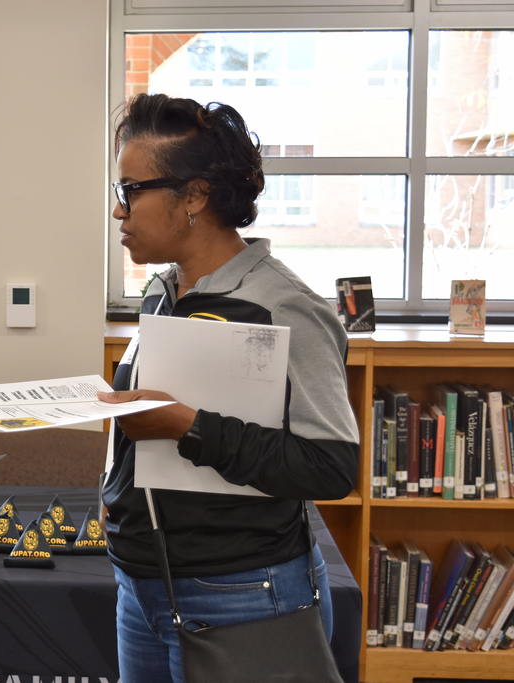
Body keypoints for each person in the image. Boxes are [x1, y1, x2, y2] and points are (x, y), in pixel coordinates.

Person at [97, 94, 360, 683]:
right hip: (141, 589)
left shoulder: (285, 307)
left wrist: (188, 427)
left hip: (239, 593)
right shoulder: (162, 293)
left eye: (130, 191)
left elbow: (330, 466)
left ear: (194, 196)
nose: (120, 212)